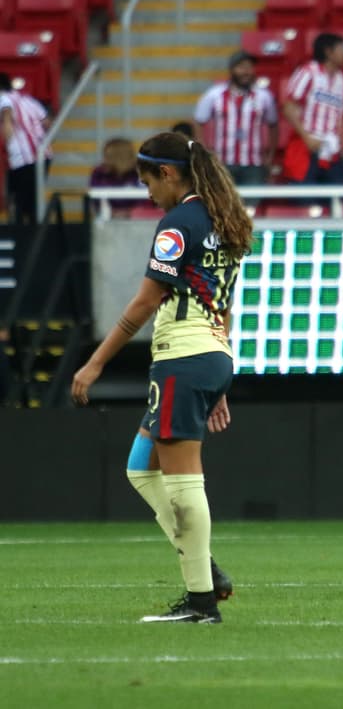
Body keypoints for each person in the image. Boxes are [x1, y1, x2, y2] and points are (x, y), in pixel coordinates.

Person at [70, 131, 255, 623]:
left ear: (168, 174)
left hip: (183, 356)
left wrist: (95, 362)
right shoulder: (228, 218)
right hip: (212, 353)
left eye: (147, 181)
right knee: (139, 467)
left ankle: (201, 602)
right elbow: (226, 302)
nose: (147, 192)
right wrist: (217, 373)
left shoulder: (178, 223)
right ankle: (206, 572)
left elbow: (144, 303)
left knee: (183, 481)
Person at [194, 51, 279, 187]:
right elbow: (199, 122)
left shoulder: (264, 96)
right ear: (232, 70)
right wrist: (205, 153)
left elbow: (273, 125)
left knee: (251, 206)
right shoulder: (214, 95)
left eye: (250, 67)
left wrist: (270, 156)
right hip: (222, 162)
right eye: (241, 67)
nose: (246, 72)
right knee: (224, 204)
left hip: (254, 164)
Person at [281, 32, 343, 186]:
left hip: (332, 152)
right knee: (305, 202)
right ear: (328, 51)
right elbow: (289, 108)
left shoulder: (340, 79)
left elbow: (340, 116)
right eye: (341, 48)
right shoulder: (308, 72)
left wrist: (342, 147)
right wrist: (307, 138)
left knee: (335, 203)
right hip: (307, 149)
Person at [0, 73, 50, 224]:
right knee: (33, 200)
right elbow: (47, 123)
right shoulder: (28, 100)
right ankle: (35, 235)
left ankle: (21, 239)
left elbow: (7, 121)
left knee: (19, 200)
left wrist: (6, 146)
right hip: (43, 154)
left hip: (22, 157)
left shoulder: (3, 99)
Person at [89, 137, 144, 215]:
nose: (104, 160)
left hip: (138, 219)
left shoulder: (140, 172)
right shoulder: (99, 173)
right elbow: (95, 200)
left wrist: (128, 213)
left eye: (107, 156)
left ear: (120, 157)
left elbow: (145, 202)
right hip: (107, 218)